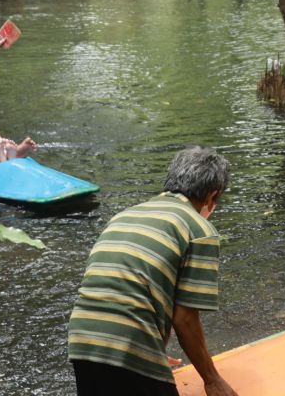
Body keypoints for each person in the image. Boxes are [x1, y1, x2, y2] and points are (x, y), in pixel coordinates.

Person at [68, 147, 240, 396]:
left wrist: (153, 351)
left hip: (83, 340)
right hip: (130, 340)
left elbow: (132, 286)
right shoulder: (199, 229)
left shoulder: (124, 216)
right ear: (213, 196)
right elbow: (185, 319)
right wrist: (212, 380)